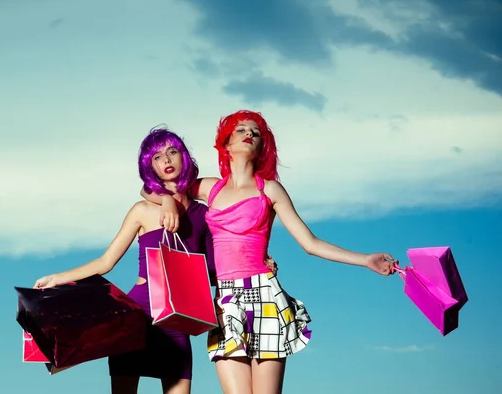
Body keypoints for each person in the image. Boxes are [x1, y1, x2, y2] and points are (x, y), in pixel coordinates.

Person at [140, 110, 398, 394]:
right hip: (225, 302)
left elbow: (310, 243)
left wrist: (365, 260)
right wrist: (165, 200)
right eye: (241, 130)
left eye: (256, 132)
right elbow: (152, 188)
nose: (249, 134)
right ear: (226, 144)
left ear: (263, 147)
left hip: (264, 295)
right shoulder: (209, 188)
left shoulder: (271, 190)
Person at [33, 126, 215, 394]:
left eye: (172, 152)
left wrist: (259, 261)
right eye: (157, 157)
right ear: (149, 167)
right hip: (135, 319)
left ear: (184, 157)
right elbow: (106, 262)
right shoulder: (142, 210)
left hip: (177, 323)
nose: (165, 160)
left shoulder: (204, 215)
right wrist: (57, 278)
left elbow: (213, 271)